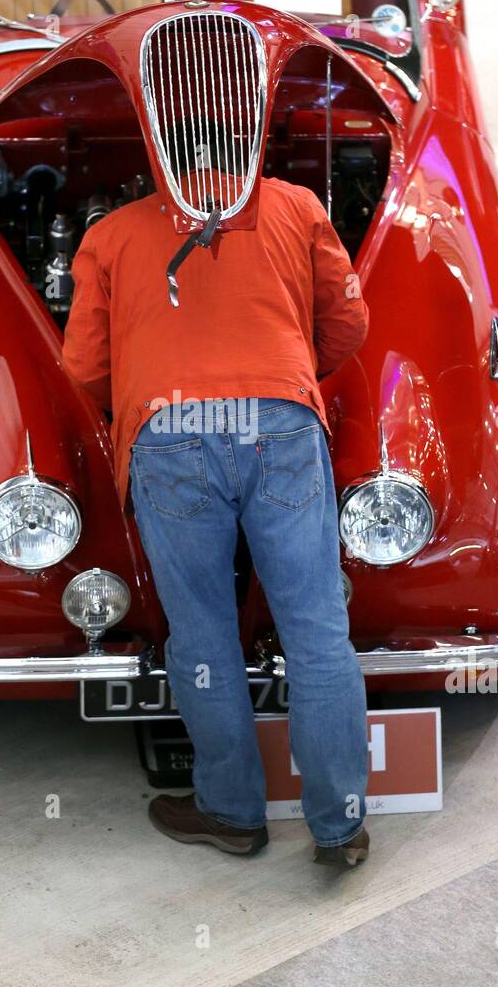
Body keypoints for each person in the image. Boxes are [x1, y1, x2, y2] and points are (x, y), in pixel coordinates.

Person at [63, 133, 371, 869]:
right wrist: (285, 379)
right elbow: (349, 323)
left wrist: (141, 406)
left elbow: (84, 363)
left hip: (169, 429)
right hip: (282, 421)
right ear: (249, 151)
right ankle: (340, 827)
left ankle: (232, 812)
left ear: (157, 165)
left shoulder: (110, 234)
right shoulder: (297, 207)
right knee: (317, 627)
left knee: (201, 629)